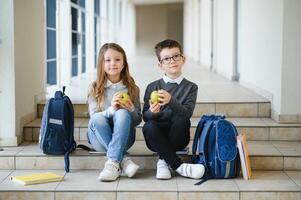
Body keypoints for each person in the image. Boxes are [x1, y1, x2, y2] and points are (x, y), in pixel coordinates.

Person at [142, 39, 205, 180]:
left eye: (176, 56)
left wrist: (171, 101)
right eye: (166, 59)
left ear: (183, 59)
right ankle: (179, 166)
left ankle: (163, 160)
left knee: (180, 118)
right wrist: (153, 112)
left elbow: (187, 114)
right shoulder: (152, 87)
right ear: (160, 65)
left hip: (179, 136)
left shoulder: (191, 87)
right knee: (149, 126)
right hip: (156, 137)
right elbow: (145, 117)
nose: (172, 61)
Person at [87, 43, 142, 181]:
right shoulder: (94, 88)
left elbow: (137, 121)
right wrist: (111, 110)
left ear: (124, 64)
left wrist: (131, 109)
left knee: (122, 113)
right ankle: (122, 161)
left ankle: (113, 163)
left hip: (125, 139)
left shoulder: (133, 89)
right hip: (99, 139)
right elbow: (94, 118)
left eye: (117, 59)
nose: (113, 63)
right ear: (102, 64)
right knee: (98, 118)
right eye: (108, 60)